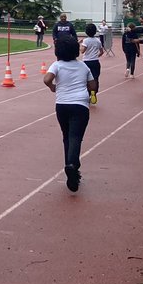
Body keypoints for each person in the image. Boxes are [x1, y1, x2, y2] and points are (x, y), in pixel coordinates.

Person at [44, 36, 97, 193]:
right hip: (80, 104)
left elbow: (47, 79)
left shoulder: (57, 65)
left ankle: (70, 165)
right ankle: (73, 165)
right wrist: (89, 89)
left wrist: (53, 87)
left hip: (62, 104)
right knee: (76, 137)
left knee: (66, 136)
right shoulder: (83, 67)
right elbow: (93, 84)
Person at [80, 23, 102, 104]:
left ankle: (87, 94)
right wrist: (96, 56)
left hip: (86, 62)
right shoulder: (98, 40)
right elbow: (101, 52)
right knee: (95, 78)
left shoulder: (86, 41)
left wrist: (80, 44)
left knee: (85, 79)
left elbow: (82, 51)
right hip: (95, 62)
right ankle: (94, 92)